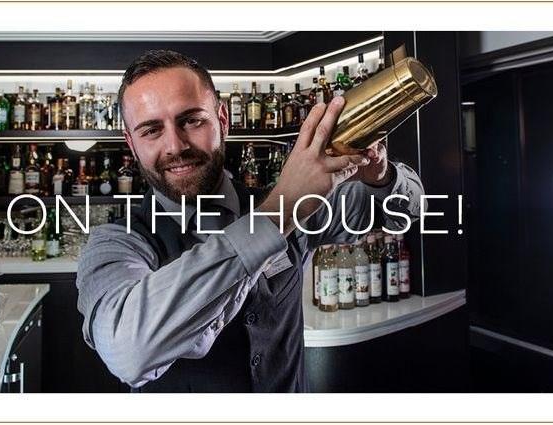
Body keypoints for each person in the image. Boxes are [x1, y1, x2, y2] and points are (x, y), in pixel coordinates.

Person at [76, 50, 425, 392]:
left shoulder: (298, 204)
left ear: (223, 120)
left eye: (192, 120)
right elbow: (129, 354)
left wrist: (381, 175)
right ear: (131, 144)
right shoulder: (116, 242)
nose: (175, 146)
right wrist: (280, 212)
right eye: (151, 130)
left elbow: (408, 211)